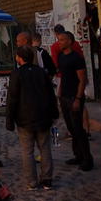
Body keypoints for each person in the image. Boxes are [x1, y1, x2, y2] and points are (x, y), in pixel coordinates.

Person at [6, 45, 59, 190]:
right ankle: (47, 180)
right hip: (43, 117)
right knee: (45, 148)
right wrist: (54, 113)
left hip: (24, 119)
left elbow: (12, 98)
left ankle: (32, 182)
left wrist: (9, 119)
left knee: (27, 151)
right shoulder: (41, 72)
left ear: (19, 58)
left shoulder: (16, 74)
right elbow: (50, 95)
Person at [57, 32, 93, 171]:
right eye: (59, 40)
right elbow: (63, 76)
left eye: (62, 40)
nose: (60, 42)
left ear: (70, 41)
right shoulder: (61, 57)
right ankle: (78, 155)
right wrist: (60, 92)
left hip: (74, 97)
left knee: (78, 128)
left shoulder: (76, 58)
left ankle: (87, 159)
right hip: (64, 96)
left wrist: (78, 98)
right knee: (71, 128)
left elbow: (82, 79)